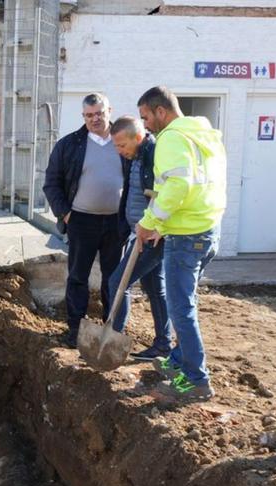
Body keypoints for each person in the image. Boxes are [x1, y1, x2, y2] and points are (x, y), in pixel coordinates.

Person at [135, 86, 226, 402]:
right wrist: (161, 223)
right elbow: (195, 188)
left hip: (187, 238)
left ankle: (196, 380)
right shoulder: (202, 134)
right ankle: (177, 361)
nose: (144, 124)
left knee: (181, 308)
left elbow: (178, 186)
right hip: (206, 230)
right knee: (183, 303)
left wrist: (149, 222)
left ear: (161, 111)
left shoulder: (171, 138)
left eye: (146, 117)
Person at [44, 93, 125, 348]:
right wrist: (66, 214)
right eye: (89, 115)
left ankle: (113, 330)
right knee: (78, 277)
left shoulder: (124, 142)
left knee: (114, 279)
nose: (95, 119)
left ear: (109, 111)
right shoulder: (69, 145)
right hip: (81, 221)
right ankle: (76, 330)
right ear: (83, 117)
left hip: (116, 223)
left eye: (99, 113)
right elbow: (51, 183)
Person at [106, 116, 172, 360]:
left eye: (122, 145)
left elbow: (164, 194)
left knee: (118, 283)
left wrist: (155, 228)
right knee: (155, 288)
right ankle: (163, 345)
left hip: (152, 235)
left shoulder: (154, 154)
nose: (119, 150)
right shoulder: (135, 157)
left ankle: (112, 340)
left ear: (138, 136)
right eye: (115, 146)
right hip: (140, 230)